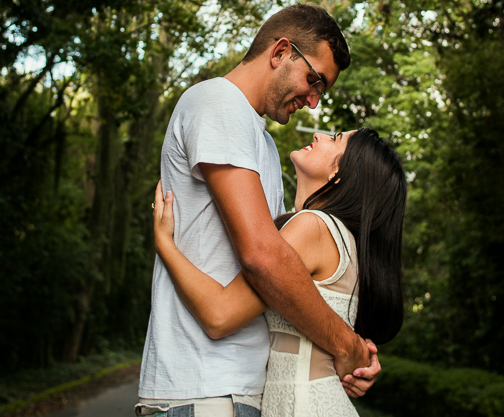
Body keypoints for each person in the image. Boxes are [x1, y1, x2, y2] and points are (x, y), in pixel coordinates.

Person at [135, 5, 382, 417]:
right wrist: (345, 345)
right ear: (281, 52)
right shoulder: (219, 103)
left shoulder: (262, 142)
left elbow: (284, 271)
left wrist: (349, 351)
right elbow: (263, 256)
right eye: (314, 80)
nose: (315, 101)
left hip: (239, 393)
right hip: (206, 390)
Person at [153, 128, 407, 417]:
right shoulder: (341, 238)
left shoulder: (313, 227)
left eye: (334, 139)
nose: (318, 135)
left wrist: (165, 244)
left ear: (339, 174)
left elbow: (218, 315)